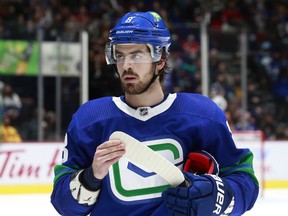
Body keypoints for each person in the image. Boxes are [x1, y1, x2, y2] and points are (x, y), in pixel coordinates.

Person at [51, 11, 259, 215]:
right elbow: (63, 205)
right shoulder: (90, 120)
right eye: (120, 55)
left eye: (137, 55)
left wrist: (216, 197)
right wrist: (90, 177)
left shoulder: (203, 115)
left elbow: (244, 181)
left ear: (160, 60)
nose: (127, 65)